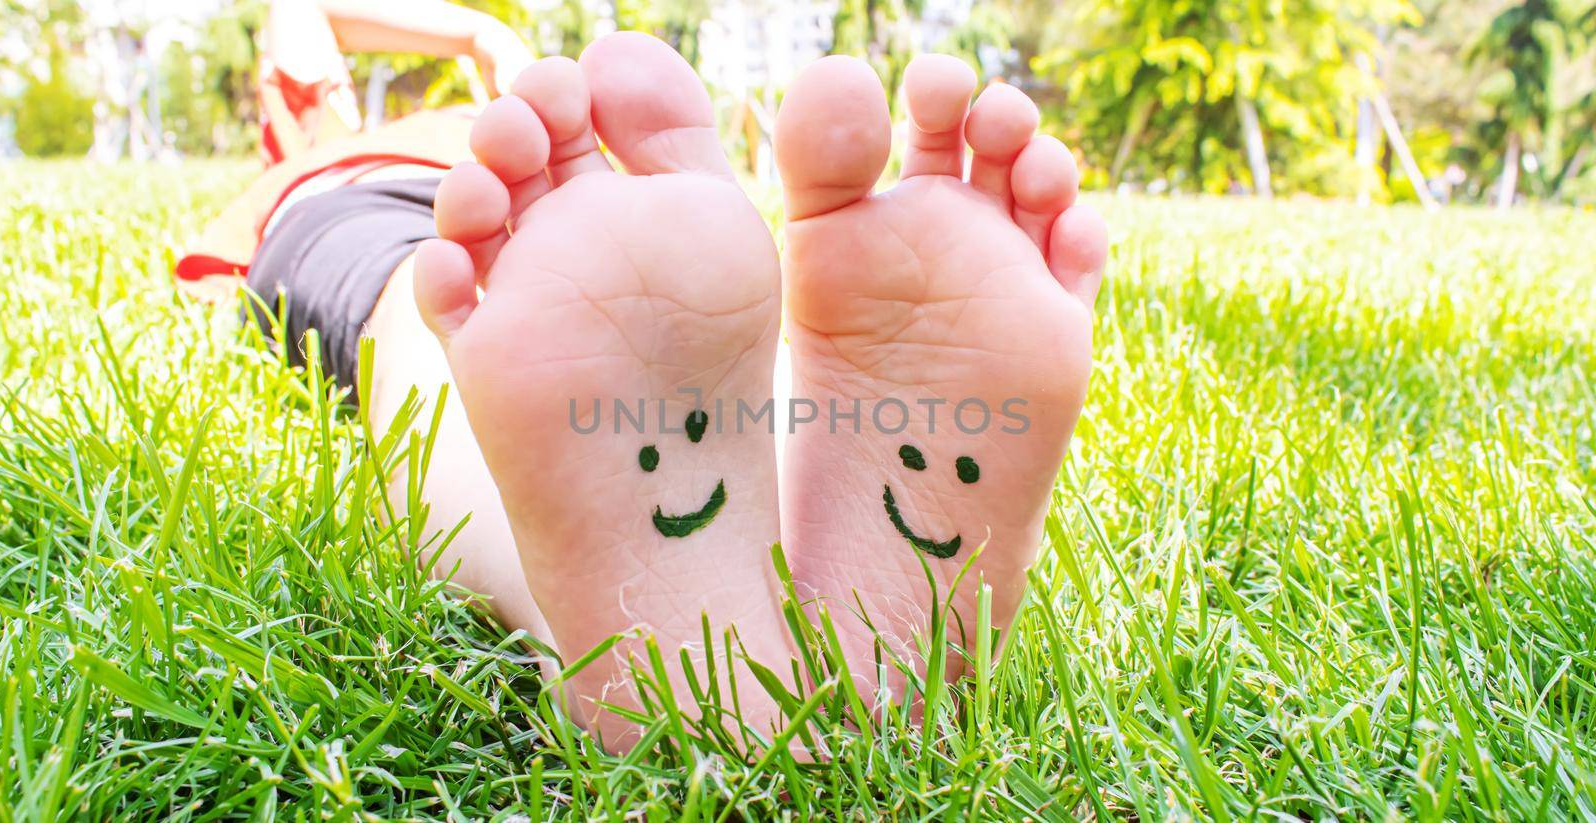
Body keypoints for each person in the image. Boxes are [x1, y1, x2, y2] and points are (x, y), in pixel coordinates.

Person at [182, 12, 1109, 753]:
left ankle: (632, 626)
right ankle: (723, 600)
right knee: (466, 316)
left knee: (643, 396)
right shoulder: (322, 140)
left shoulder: (544, 175)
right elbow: (301, 12)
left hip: (546, 231)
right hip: (367, 201)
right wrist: (470, 37)